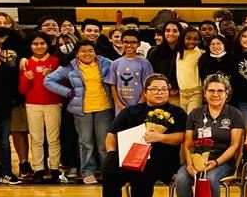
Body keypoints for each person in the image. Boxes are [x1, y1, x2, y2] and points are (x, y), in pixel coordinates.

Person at [98, 74, 186, 197]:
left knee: (144, 173)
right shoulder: (131, 112)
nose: (159, 92)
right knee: (109, 170)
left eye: (163, 89)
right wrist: (111, 153)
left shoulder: (177, 112)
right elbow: (111, 135)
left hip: (163, 162)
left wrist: (161, 138)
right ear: (145, 92)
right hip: (130, 157)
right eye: (154, 89)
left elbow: (183, 137)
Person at [173, 75, 246, 197]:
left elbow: (235, 146)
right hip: (196, 159)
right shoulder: (195, 114)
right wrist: (190, 163)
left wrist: (216, 162)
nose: (215, 94)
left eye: (220, 91)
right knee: (182, 178)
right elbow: (188, 142)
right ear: (204, 93)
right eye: (211, 90)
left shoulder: (234, 114)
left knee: (211, 178)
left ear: (227, 93)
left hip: (222, 161)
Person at [43, 41, 113, 184]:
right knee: (85, 142)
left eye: (90, 51)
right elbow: (48, 80)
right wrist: (67, 92)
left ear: (95, 52)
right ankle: (87, 172)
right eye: (83, 51)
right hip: (81, 110)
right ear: (77, 53)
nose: (87, 54)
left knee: (103, 143)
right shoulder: (69, 66)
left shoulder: (106, 63)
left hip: (104, 107)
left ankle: (107, 171)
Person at [18, 33, 63, 183]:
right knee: (37, 139)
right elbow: (22, 90)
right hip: (33, 105)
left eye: (42, 43)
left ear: (47, 44)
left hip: (53, 104)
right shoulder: (26, 63)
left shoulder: (55, 62)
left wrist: (52, 76)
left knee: (53, 139)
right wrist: (27, 78)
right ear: (30, 46)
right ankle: (38, 170)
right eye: (35, 44)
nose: (39, 46)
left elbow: (62, 86)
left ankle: (55, 169)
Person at [0, 38, 21, 185]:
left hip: (4, 110)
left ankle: (6, 173)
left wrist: (13, 101)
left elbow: (12, 86)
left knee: (4, 143)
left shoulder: (6, 67)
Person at [109, 30, 152, 113]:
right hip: (120, 108)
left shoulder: (145, 63)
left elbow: (147, 86)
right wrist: (119, 104)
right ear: (122, 42)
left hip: (139, 107)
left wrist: (139, 105)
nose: (129, 45)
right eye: (126, 42)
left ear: (138, 44)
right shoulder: (115, 63)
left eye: (133, 42)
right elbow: (113, 85)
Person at [175, 27, 204, 112]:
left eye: (195, 39)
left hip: (195, 93)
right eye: (188, 38)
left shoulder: (200, 53)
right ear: (182, 38)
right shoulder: (179, 53)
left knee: (191, 118)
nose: (191, 41)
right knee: (182, 119)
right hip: (181, 93)